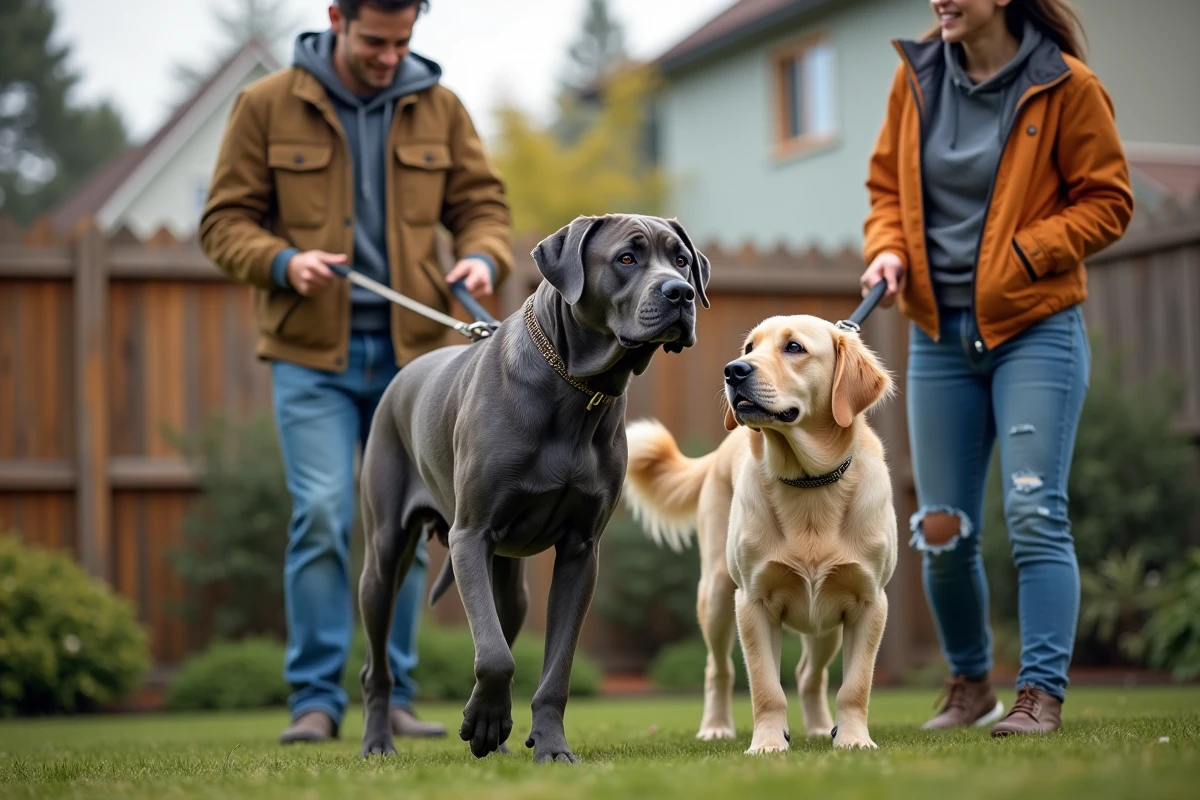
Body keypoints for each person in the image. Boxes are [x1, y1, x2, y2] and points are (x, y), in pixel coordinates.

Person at [199, 0, 513, 744]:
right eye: (375, 40)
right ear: (337, 17)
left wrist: (483, 254)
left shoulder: (440, 106)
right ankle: (314, 700)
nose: (388, 56)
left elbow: (483, 206)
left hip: (417, 362)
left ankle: (393, 691)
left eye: (403, 41)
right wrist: (282, 260)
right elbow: (222, 223)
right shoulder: (266, 105)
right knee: (321, 513)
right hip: (312, 357)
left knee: (407, 524)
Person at [860, 0, 1132, 736]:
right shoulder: (914, 78)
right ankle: (969, 682)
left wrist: (1023, 255)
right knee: (940, 527)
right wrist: (887, 246)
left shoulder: (1065, 86)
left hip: (1034, 328)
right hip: (937, 336)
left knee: (1034, 511)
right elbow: (886, 189)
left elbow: (1109, 201)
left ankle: (1040, 693)